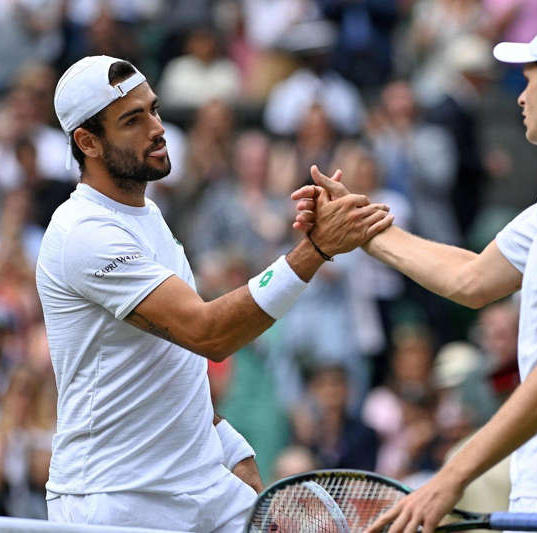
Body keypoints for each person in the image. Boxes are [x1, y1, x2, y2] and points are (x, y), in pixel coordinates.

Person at [294, 14, 537, 533]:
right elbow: (471, 279)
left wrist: (452, 476)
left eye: (529, 78)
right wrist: (358, 227)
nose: (520, 96)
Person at [35, 55, 393, 532]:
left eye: (154, 110)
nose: (157, 129)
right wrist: (314, 250)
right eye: (132, 120)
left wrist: (228, 445)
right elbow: (208, 333)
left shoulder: (148, 216)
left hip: (200, 486)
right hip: (115, 499)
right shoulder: (84, 233)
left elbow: (169, 362)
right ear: (88, 142)